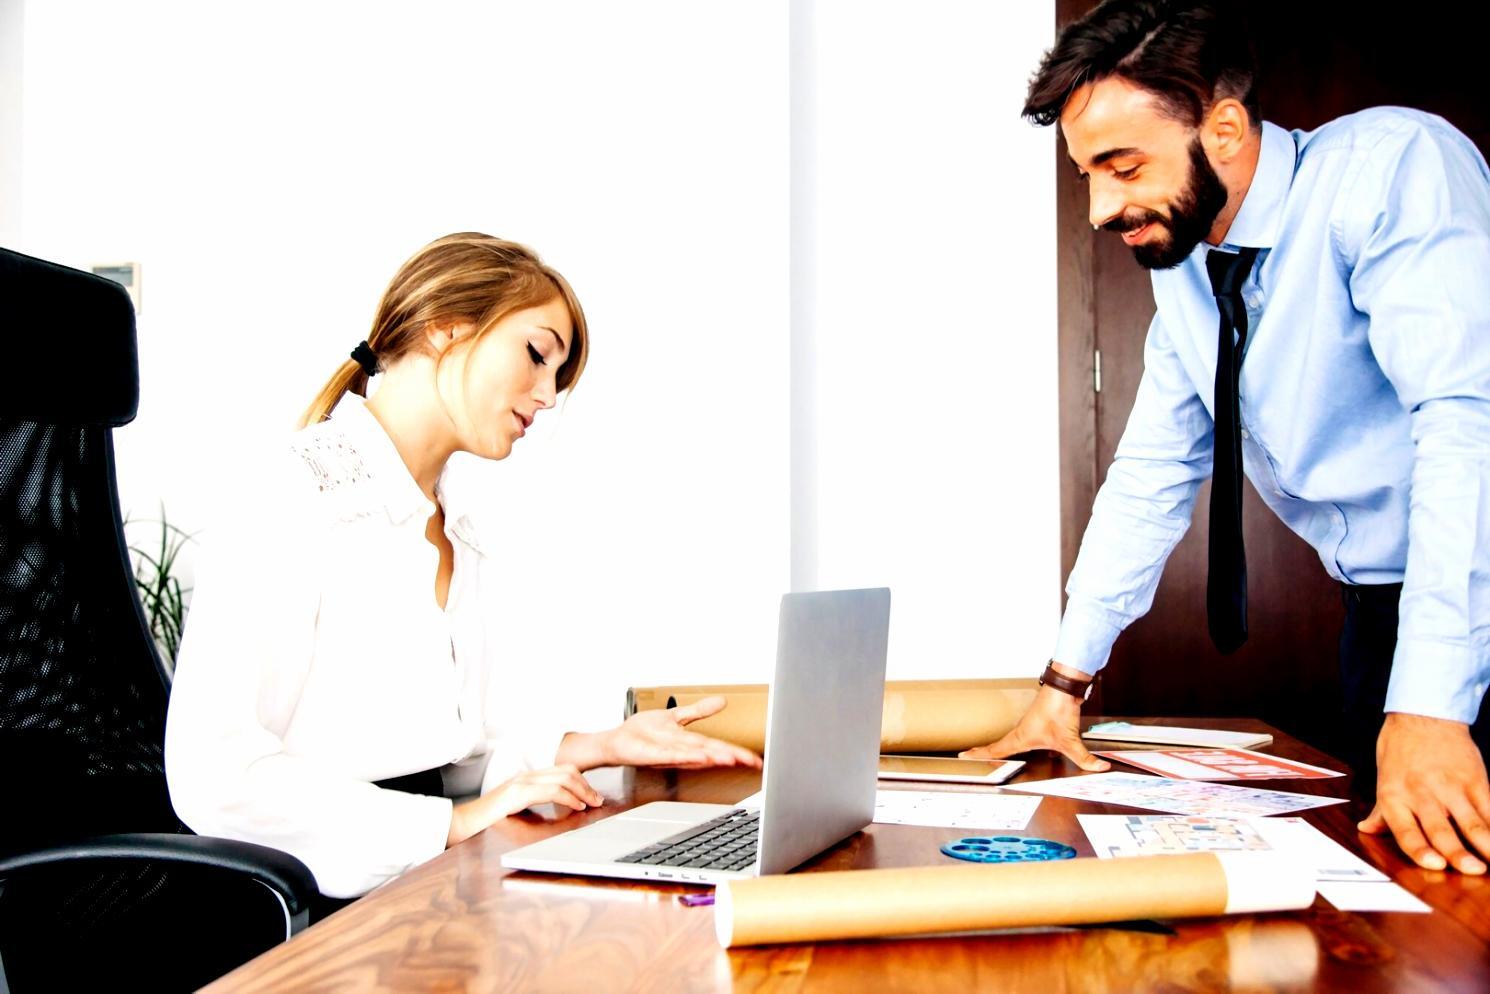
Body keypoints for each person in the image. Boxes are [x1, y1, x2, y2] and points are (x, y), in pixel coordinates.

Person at [961, 0, 1490, 875]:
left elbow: (1466, 423)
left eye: (1124, 166)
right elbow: (1152, 472)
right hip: (1380, 620)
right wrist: (1063, 687)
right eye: (1087, 174)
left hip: (1466, 605)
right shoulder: (1190, 270)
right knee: (1413, 899)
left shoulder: (1391, 168)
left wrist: (1433, 702)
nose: (1099, 208)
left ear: (1226, 129)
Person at [165, 233, 760, 907]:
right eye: (537, 355)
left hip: (425, 885)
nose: (547, 395)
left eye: (558, 375)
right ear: (446, 326)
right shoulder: (295, 493)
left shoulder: (456, 524)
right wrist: (451, 824)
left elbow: (437, 763)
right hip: (316, 910)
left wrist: (596, 746)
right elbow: (216, 774)